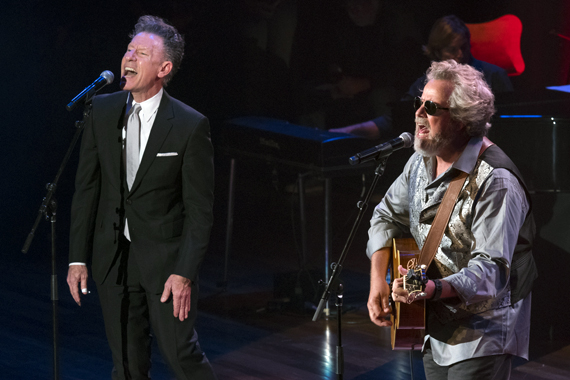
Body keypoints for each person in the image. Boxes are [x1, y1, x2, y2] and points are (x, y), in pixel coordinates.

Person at [66, 15, 217, 379]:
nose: (129, 58)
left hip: (166, 263)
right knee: (128, 366)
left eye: (142, 53)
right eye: (129, 50)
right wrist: (76, 259)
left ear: (164, 67)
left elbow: (200, 210)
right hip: (113, 258)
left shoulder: (188, 124)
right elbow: (87, 188)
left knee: (181, 357)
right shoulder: (102, 111)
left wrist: (184, 272)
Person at [366, 60, 537, 379]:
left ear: (461, 120)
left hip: (483, 333)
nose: (418, 113)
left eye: (431, 107)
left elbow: (492, 271)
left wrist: (430, 289)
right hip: (433, 323)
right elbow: (385, 215)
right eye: (418, 102)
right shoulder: (420, 162)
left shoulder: (496, 181)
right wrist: (378, 281)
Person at [331, 15, 513, 140]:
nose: (459, 54)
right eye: (452, 49)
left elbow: (511, 126)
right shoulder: (425, 85)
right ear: (437, 51)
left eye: (463, 47)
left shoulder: (494, 76)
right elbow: (394, 120)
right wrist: (343, 133)